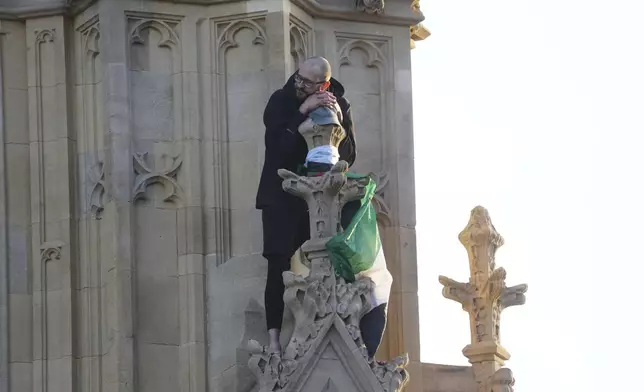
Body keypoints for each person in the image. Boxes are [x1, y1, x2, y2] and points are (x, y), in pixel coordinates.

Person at [256, 56, 357, 354]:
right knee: (278, 265)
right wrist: (303, 111)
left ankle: (334, 334)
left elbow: (349, 155)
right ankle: (274, 340)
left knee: (328, 260)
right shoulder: (282, 100)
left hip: (323, 196)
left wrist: (338, 118)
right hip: (282, 195)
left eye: (307, 83)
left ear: (323, 84)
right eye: (298, 79)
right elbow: (278, 148)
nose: (298, 85)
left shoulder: (339, 101)